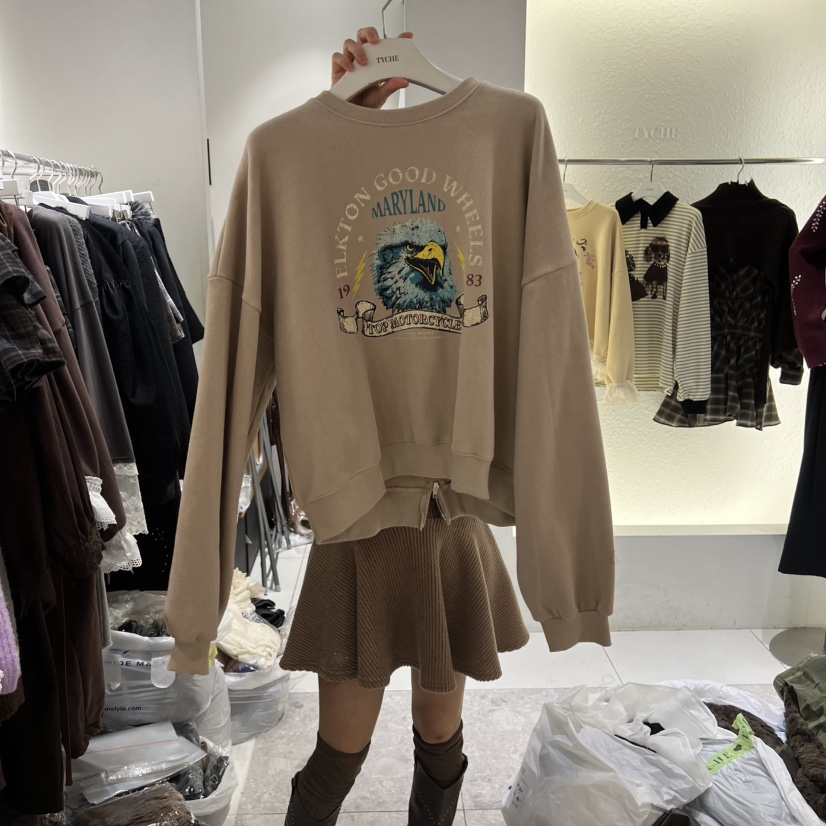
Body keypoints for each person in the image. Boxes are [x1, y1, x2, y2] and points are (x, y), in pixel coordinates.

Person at [279, 28, 531, 826]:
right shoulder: (302, 169)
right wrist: (343, 121)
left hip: (450, 510)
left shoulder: (497, 147)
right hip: (361, 513)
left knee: (440, 734)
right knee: (340, 748)